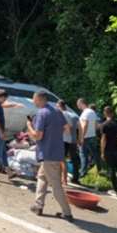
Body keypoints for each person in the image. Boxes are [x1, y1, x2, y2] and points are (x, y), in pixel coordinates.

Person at [27, 91, 73, 221]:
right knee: (41, 177)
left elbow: (38, 136)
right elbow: (67, 128)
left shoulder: (41, 113)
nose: (33, 102)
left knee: (56, 184)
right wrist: (54, 135)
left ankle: (67, 212)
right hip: (57, 152)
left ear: (40, 99)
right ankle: (38, 205)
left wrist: (29, 126)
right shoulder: (58, 111)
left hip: (47, 153)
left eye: (34, 99)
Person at [57, 100, 81, 186]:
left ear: (60, 106)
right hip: (71, 140)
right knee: (70, 160)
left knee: (60, 160)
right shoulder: (72, 115)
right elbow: (76, 128)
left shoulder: (61, 114)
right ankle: (70, 179)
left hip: (63, 140)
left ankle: (61, 179)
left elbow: (64, 127)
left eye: (57, 106)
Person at [77, 98, 101, 178]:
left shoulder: (85, 113)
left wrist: (81, 137)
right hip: (92, 136)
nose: (78, 106)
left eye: (78, 105)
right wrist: (93, 133)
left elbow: (85, 125)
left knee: (83, 154)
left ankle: (82, 172)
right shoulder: (93, 112)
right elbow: (96, 125)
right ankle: (99, 169)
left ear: (81, 104)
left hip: (86, 137)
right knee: (95, 154)